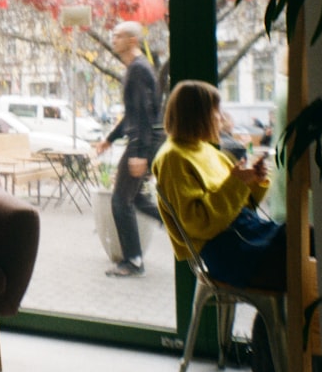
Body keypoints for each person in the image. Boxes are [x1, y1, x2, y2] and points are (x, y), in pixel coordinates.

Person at [152, 80, 287, 290]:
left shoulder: (208, 151)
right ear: (198, 115)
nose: (221, 118)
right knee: (302, 250)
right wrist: (237, 183)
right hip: (227, 251)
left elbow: (242, 207)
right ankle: (275, 322)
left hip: (247, 235)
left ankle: (272, 322)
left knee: (306, 238)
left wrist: (254, 181)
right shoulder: (173, 158)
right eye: (216, 111)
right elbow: (197, 223)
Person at [94, 21, 163, 277]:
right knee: (134, 198)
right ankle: (174, 224)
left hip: (143, 143)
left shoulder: (137, 70)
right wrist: (109, 139)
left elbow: (144, 115)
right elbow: (132, 115)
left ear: (133, 40)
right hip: (144, 141)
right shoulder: (137, 69)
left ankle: (133, 262)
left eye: (118, 35)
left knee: (120, 200)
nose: (113, 39)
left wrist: (139, 154)